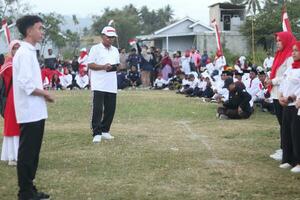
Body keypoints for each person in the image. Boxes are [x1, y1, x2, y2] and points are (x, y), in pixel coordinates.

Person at [14, 15, 54, 200]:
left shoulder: (30, 51)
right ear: (29, 30)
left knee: (33, 152)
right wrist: (44, 93)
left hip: (36, 111)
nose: (42, 32)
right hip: (29, 111)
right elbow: (25, 84)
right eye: (39, 28)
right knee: (27, 152)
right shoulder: (23, 53)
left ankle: (30, 188)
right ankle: (25, 192)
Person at [88, 26, 119, 143]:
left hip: (111, 83)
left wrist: (114, 67)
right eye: (109, 37)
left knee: (110, 108)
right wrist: (103, 66)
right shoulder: (95, 49)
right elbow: (90, 64)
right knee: (98, 109)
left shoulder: (115, 50)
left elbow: (118, 66)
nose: (110, 39)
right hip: (99, 83)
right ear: (103, 36)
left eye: (113, 38)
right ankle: (96, 132)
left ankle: (105, 130)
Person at [267, 32, 296, 161]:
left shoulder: (290, 56)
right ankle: (284, 148)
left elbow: (286, 76)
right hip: (276, 93)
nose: (277, 42)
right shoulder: (279, 55)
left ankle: (286, 150)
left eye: (280, 40)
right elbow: (276, 71)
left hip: (284, 93)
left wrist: (272, 81)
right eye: (277, 40)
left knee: (285, 123)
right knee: (281, 122)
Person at [278, 41, 300, 173]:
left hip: (296, 105)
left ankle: (298, 161)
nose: (293, 53)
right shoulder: (290, 68)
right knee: (286, 132)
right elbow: (283, 83)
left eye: (296, 50)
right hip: (286, 104)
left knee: (296, 133)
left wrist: (291, 97)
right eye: (293, 50)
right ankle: (288, 159)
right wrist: (281, 96)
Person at [0, 40, 21, 166]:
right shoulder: (8, 64)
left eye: (19, 48)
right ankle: (12, 156)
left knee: (21, 127)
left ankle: (20, 155)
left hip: (21, 98)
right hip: (11, 99)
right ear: (11, 50)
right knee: (12, 126)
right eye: (15, 48)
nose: (17, 50)